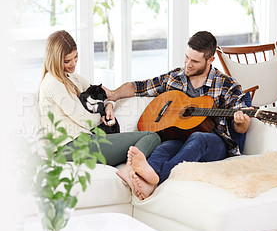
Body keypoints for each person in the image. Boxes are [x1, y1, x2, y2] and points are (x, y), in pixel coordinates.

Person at [104, 31, 252, 200]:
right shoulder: (175, 77)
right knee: (163, 148)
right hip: (180, 137)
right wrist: (114, 95)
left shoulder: (227, 84)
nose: (188, 64)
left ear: (210, 60)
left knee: (198, 138)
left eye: (195, 61)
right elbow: (139, 86)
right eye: (186, 57)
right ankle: (142, 177)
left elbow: (242, 127)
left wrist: (241, 121)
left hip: (215, 143)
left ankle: (154, 181)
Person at [38, 30, 161, 188]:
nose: (73, 64)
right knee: (151, 137)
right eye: (67, 61)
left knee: (152, 138)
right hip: (69, 148)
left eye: (75, 57)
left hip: (85, 141)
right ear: (54, 60)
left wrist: (109, 106)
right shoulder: (52, 83)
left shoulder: (73, 78)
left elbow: (106, 94)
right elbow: (84, 119)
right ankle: (131, 170)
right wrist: (102, 114)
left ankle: (133, 171)